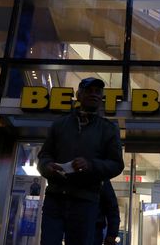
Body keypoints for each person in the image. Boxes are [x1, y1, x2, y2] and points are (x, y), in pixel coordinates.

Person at [38, 77, 124, 245]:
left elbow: (116, 164)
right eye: (89, 91)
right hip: (55, 198)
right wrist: (47, 166)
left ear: (102, 97)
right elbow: (44, 155)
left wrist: (90, 165)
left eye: (98, 92)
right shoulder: (60, 124)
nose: (94, 94)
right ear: (79, 95)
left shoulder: (109, 129)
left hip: (85, 201)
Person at [94, 180, 120, 245]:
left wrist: (111, 235)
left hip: (94, 227)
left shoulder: (101, 178)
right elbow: (112, 207)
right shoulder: (101, 178)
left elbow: (112, 207)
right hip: (95, 226)